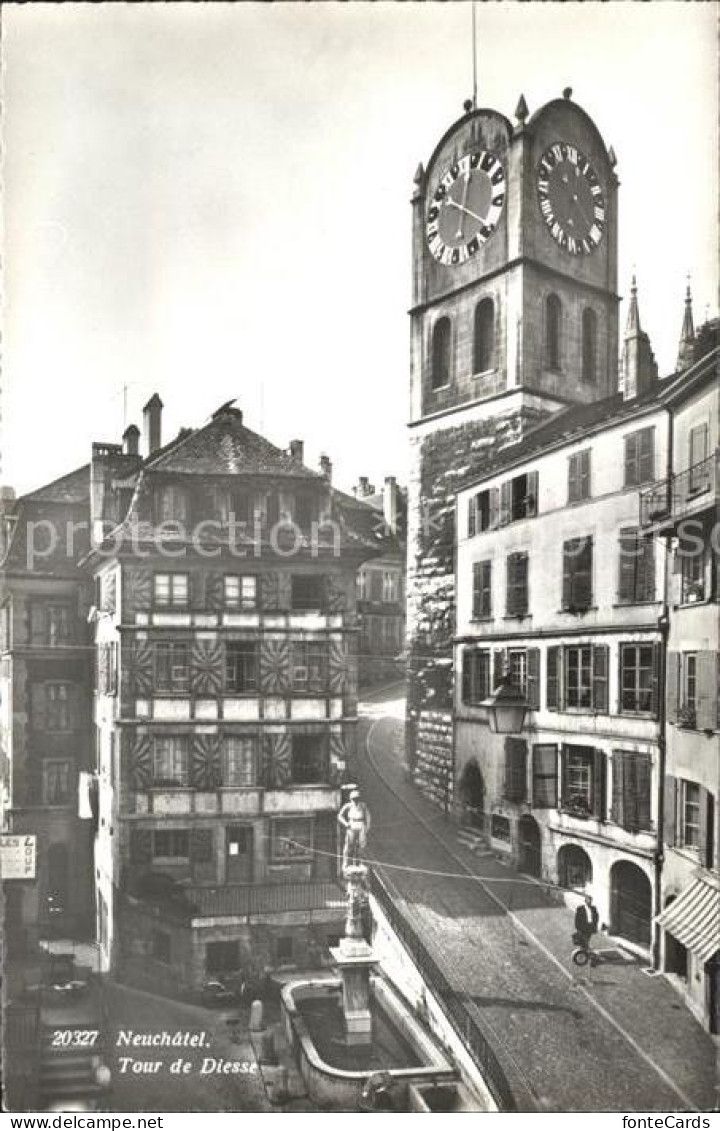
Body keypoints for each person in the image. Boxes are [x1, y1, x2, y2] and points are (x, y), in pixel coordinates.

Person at [337, 788, 371, 870]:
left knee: (361, 845)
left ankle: (361, 863)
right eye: (353, 799)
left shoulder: (363, 805)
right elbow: (339, 816)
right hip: (351, 825)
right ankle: (346, 863)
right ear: (351, 799)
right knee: (349, 845)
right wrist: (345, 823)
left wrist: (367, 827)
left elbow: (368, 816)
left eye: (357, 798)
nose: (355, 800)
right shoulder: (348, 806)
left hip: (361, 825)